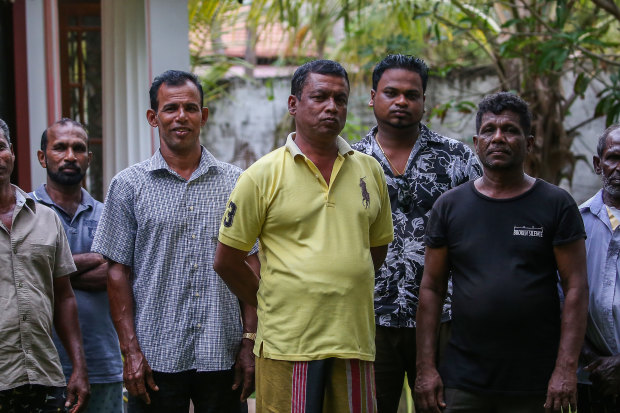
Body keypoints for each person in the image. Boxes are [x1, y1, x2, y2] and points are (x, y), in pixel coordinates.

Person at [214, 59, 394, 413]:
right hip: (288, 342)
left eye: (340, 99)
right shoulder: (260, 176)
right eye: (320, 97)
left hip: (352, 340)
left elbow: (375, 248)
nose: (332, 107)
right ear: (293, 104)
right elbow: (227, 260)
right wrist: (267, 299)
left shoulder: (369, 169)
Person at [91, 70, 258, 413]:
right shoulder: (128, 186)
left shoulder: (238, 182)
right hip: (155, 357)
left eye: (191, 108)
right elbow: (117, 273)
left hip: (222, 352)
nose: (181, 116)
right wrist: (131, 351)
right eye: (171, 108)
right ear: (154, 117)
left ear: (203, 116)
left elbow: (251, 265)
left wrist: (249, 342)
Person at [414, 92, 588, 413]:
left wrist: (565, 369)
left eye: (510, 129)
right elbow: (432, 288)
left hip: (537, 380)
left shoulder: (556, 204)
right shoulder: (450, 206)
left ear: (529, 142)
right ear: (476, 142)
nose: (498, 137)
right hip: (464, 379)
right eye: (490, 130)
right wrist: (426, 368)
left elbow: (576, 288)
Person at [352, 54, 482, 413]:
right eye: (391, 92)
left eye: (412, 94)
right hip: (370, 316)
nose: (401, 101)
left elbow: (479, 228)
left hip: (445, 316)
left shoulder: (457, 158)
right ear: (372, 96)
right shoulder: (350, 161)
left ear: (424, 100)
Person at [30, 118, 123, 412]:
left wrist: (52, 269)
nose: (70, 156)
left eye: (78, 148)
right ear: (43, 157)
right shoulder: (25, 212)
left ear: (89, 158)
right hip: (40, 366)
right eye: (60, 148)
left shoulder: (109, 214)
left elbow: (117, 275)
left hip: (103, 363)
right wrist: (96, 257)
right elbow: (29, 274)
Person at [0, 118, 90, 413]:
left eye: (0, 147)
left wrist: (78, 367)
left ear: (11, 152)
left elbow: (64, 296)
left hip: (43, 376)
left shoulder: (45, 218)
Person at [578, 123, 620, 412]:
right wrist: (597, 362)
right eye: (613, 158)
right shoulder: (576, 223)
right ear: (598, 164)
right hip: (595, 378)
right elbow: (559, 298)